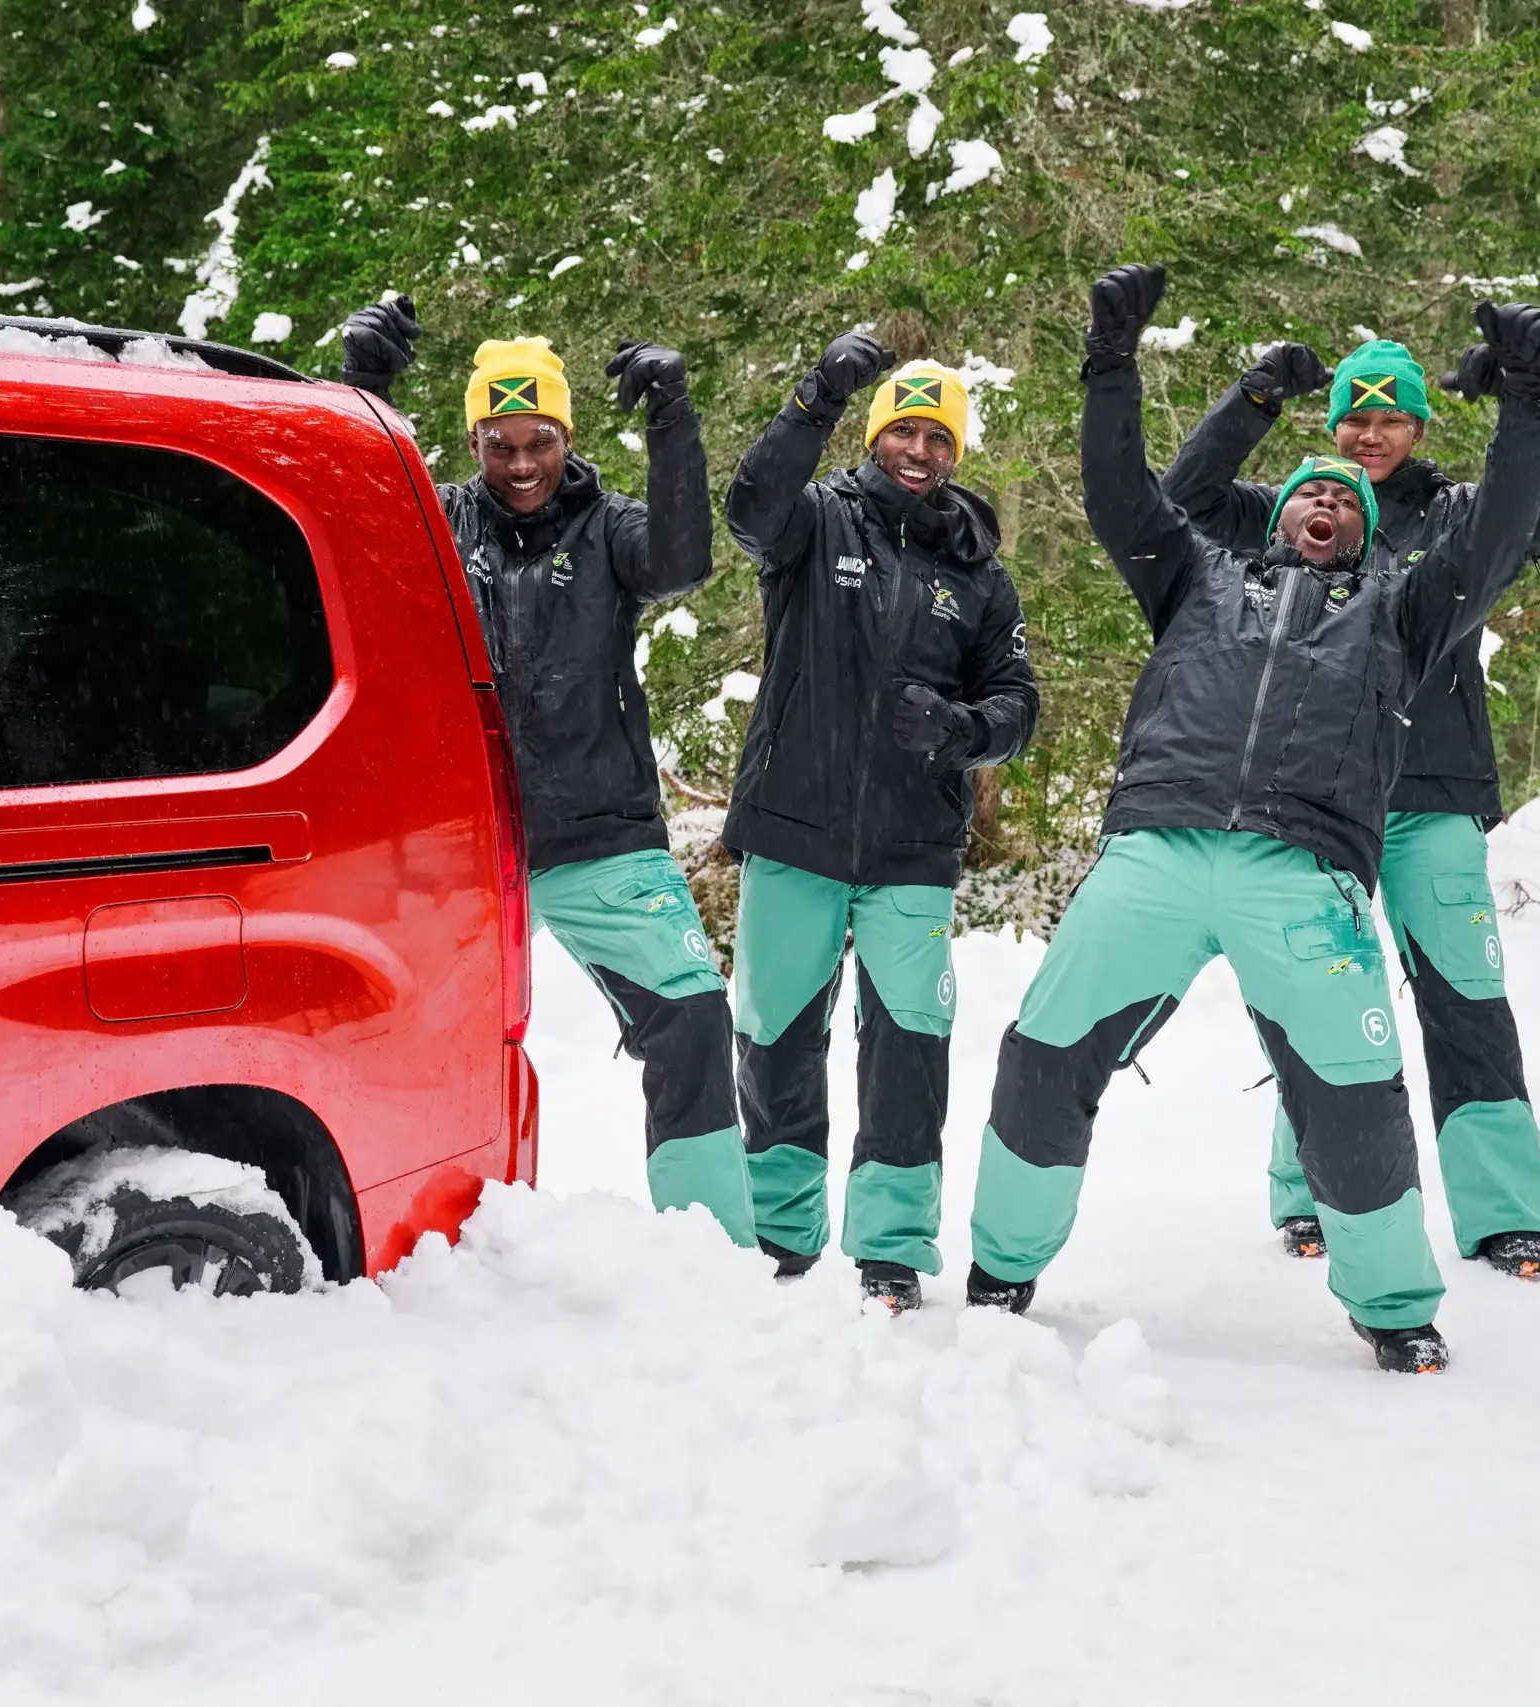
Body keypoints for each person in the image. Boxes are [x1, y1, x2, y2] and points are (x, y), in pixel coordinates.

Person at [962, 266, 1540, 1372]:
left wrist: (1529, 399)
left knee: (1355, 1096)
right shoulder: (1196, 578)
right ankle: (1001, 1264)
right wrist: (1109, 360)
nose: (1327, 497)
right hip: (1153, 850)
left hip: (1301, 878)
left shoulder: (1402, 609)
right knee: (1044, 1054)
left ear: (1372, 531)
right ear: (1277, 513)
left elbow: (1500, 535)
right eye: (1307, 488)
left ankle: (1393, 1308)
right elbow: (1118, 491)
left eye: (1348, 495)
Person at [1162, 328, 1540, 1279]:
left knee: (1466, 1000)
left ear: (1419, 423)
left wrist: (1532, 396)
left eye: (1394, 418)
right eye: (1357, 418)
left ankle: (1504, 1217)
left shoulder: (1462, 514)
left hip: (1432, 795)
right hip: (1316, 801)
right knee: (1315, 1000)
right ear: (1335, 425)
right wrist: (1253, 399)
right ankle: (1312, 1197)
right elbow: (1184, 504)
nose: (1373, 436)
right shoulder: (1301, 512)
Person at [339, 295, 756, 1246]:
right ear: (476, 440)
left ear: (564, 436)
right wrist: (364, 388)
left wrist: (672, 416)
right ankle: (415, 1246)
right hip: (464, 844)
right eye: (499, 444)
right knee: (408, 1038)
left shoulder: (608, 530)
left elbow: (684, 560)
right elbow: (360, 532)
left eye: (538, 443)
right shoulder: (442, 522)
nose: (521, 465)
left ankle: (715, 1254)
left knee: (691, 1016)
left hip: (601, 833)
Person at [721, 334, 1040, 1311]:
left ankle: (891, 1246)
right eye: (902, 428)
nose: (919, 449)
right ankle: (780, 1233)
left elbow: (1018, 704)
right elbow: (747, 511)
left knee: (908, 1044)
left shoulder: (977, 569)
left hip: (911, 851)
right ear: (874, 435)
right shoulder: (816, 522)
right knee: (775, 1035)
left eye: (937, 436)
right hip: (794, 829)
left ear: (955, 451)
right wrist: (814, 396)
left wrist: (962, 728)